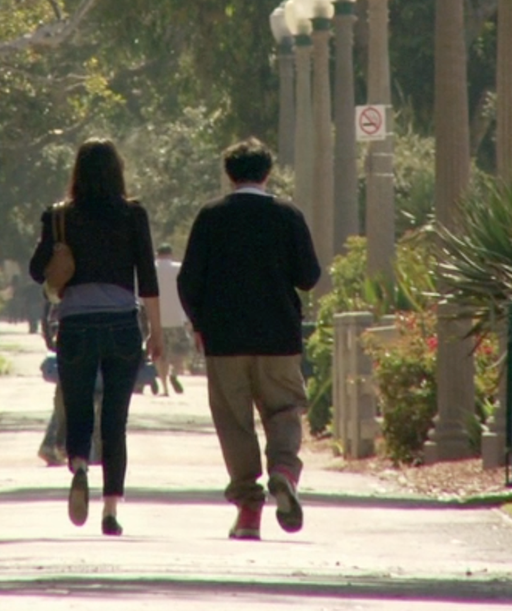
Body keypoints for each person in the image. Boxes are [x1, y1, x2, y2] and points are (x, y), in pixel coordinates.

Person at [178, 138, 320, 541]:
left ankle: (248, 512)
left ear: (229, 174)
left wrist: (199, 323)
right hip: (279, 337)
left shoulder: (211, 216)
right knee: (285, 410)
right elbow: (308, 276)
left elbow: (189, 281)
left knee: (234, 422)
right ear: (267, 173)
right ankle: (284, 469)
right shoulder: (287, 215)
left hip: (225, 339)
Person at [27, 139, 164, 536]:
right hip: (122, 325)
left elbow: (37, 271)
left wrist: (59, 252)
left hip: (75, 325)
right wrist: (156, 333)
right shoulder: (133, 214)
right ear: (118, 171)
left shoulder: (59, 217)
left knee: (79, 408)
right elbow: (147, 278)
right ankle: (111, 509)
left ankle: (80, 467)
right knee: (115, 421)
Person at [152, 244, 191, 395]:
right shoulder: (179, 268)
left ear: (157, 254)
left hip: (157, 319)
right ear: (170, 254)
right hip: (177, 317)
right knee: (181, 349)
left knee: (160, 355)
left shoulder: (152, 269)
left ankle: (165, 388)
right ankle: (175, 373)